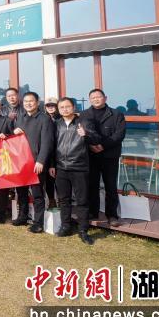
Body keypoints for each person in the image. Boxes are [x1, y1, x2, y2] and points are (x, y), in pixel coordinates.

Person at [52, 97, 98, 245]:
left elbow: (97, 139)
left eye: (67, 106)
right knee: (63, 199)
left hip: (79, 167)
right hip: (61, 167)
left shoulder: (83, 122)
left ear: (73, 107)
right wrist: (52, 165)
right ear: (59, 110)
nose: (65, 109)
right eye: (62, 107)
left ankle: (83, 230)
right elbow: (51, 145)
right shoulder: (56, 124)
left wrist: (86, 134)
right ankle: (65, 226)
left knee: (82, 200)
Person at [81, 88, 127, 227]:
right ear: (90, 100)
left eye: (98, 97)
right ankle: (93, 212)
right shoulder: (84, 114)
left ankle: (112, 215)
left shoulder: (116, 114)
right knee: (92, 185)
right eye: (93, 97)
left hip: (110, 155)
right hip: (91, 155)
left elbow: (119, 134)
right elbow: (82, 133)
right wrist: (90, 146)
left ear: (105, 98)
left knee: (110, 186)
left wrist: (103, 146)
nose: (96, 99)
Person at [11, 92, 55, 233]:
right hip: (21, 162)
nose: (28, 103)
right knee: (21, 192)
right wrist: (14, 132)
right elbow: (16, 139)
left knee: (37, 194)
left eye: (31, 101)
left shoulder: (44, 119)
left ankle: (38, 222)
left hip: (36, 162)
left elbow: (47, 142)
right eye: (26, 101)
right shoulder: (21, 117)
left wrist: (41, 161)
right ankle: (22, 217)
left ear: (37, 102)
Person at [44, 96, 61, 208]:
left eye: (53, 106)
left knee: (59, 180)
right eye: (48, 106)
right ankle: (51, 200)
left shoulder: (61, 119)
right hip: (48, 152)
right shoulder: (43, 118)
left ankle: (62, 201)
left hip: (60, 151)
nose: (50, 107)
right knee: (49, 179)